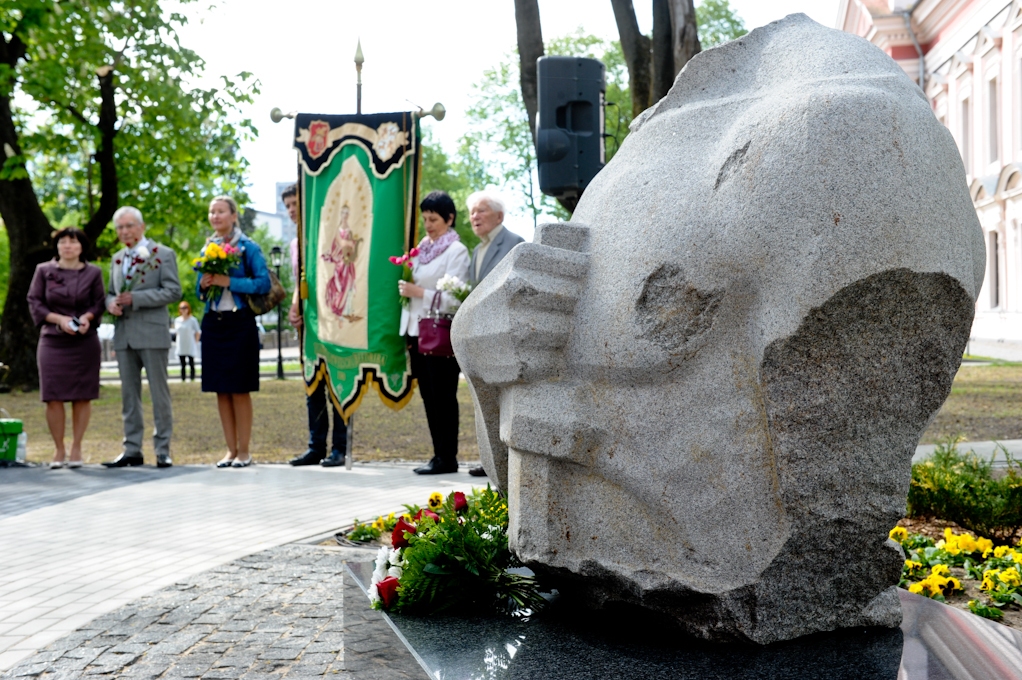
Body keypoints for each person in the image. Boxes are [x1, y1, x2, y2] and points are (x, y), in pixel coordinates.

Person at [103, 207, 181, 469]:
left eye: (129, 226)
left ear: (142, 226)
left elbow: (173, 291)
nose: (124, 231)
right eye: (120, 228)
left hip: (152, 332)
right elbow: (110, 293)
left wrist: (137, 299)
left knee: (160, 395)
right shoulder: (116, 259)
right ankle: (132, 449)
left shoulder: (162, 254)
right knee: (128, 396)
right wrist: (111, 303)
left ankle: (163, 450)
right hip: (124, 336)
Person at [399, 190, 470, 475]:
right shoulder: (420, 249)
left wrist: (420, 293)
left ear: (449, 218)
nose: (428, 225)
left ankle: (447, 456)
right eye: (425, 219)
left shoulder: (456, 251)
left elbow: (456, 296)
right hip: (416, 330)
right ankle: (437, 454)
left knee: (443, 395)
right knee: (428, 395)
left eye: (434, 219)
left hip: (440, 332)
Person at [198, 195, 271, 468]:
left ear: (233, 215)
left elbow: (263, 283)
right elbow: (198, 291)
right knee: (221, 390)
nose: (215, 216)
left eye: (220, 211)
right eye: (211, 212)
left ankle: (244, 451)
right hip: (213, 324)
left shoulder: (248, 247)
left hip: (240, 323)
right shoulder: (208, 248)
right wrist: (205, 285)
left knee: (240, 389)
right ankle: (229, 450)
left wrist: (230, 281)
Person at [27, 228, 107, 469]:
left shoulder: (93, 272)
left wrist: (88, 317)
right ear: (57, 246)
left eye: (72, 242)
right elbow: (34, 301)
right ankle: (59, 448)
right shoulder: (43, 270)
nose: (67, 246)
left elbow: (99, 302)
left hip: (85, 340)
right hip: (52, 339)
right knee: (53, 396)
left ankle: (76, 448)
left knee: (83, 396)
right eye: (62, 242)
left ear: (81, 246)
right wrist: (58, 319)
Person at [283, 183, 349, 467]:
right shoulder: (295, 243)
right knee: (314, 383)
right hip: (309, 323)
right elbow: (301, 280)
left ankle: (341, 447)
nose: (291, 210)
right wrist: (295, 306)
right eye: (287, 206)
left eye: (295, 203)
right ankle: (316, 445)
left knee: (338, 382)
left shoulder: (329, 233)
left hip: (335, 318)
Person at [465, 191, 524, 477]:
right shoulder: (477, 251)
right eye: (472, 212)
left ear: (499, 216)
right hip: (479, 336)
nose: (474, 216)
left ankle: (509, 462)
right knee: (484, 400)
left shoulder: (515, 244)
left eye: (481, 211)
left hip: (503, 337)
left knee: (506, 400)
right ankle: (490, 460)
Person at [174, 301, 201, 381]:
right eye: (181, 308)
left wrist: (195, 342)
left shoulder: (193, 320)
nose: (183, 310)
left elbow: (197, 332)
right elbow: (177, 333)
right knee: (182, 364)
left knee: (191, 363)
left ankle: (192, 378)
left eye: (185, 307)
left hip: (190, 343)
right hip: (181, 344)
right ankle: (183, 378)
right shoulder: (177, 320)